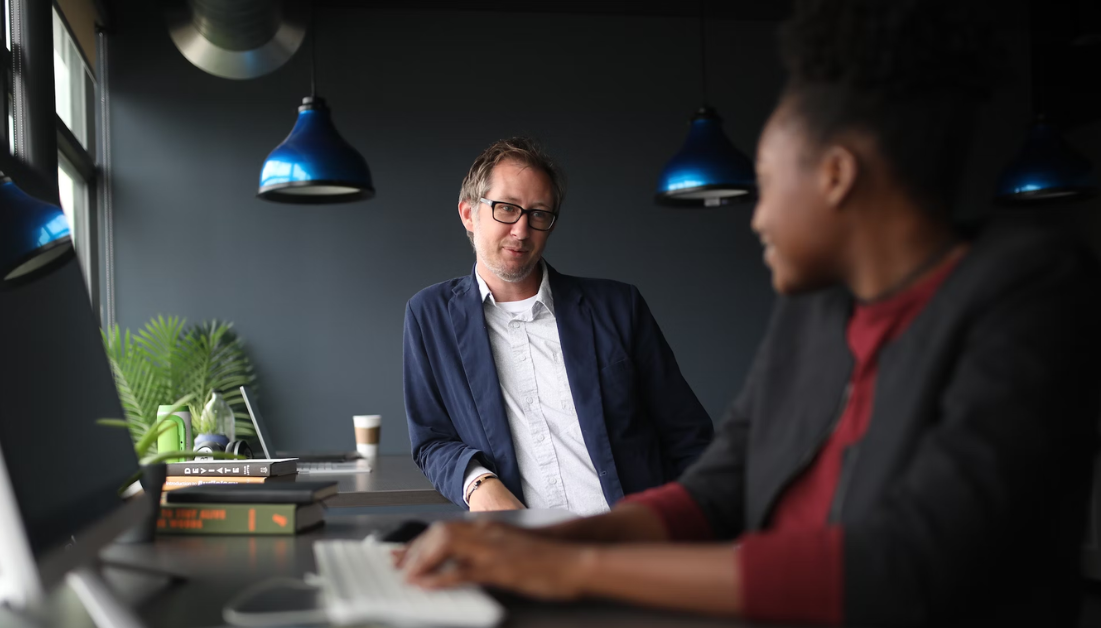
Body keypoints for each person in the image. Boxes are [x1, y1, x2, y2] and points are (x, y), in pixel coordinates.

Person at [395, 1, 1101, 625]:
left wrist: (574, 569)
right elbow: (717, 485)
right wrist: (548, 542)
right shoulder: (815, 314)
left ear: (835, 175)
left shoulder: (1029, 295)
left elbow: (904, 568)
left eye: (763, 183)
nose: (756, 217)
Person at [402, 137, 714, 516]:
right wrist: (477, 483)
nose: (521, 230)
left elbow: (687, 432)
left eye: (538, 214)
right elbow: (432, 440)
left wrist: (690, 525)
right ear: (469, 214)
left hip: (632, 544)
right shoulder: (430, 315)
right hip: (524, 552)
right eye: (506, 209)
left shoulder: (618, 306)